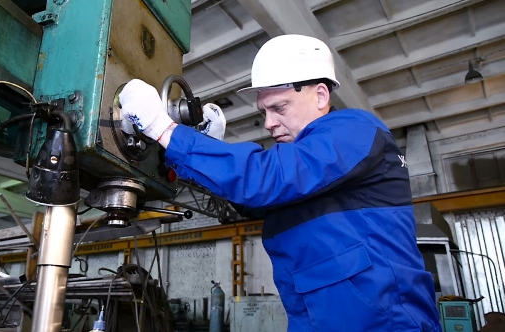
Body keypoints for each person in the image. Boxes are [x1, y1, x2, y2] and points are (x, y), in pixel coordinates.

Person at [119, 34, 441, 332]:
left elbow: (263, 179)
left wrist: (163, 129)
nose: (269, 124)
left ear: (320, 94)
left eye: (279, 108)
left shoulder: (354, 129)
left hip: (383, 321)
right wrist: (206, 149)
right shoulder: (310, 173)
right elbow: (252, 202)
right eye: (264, 112)